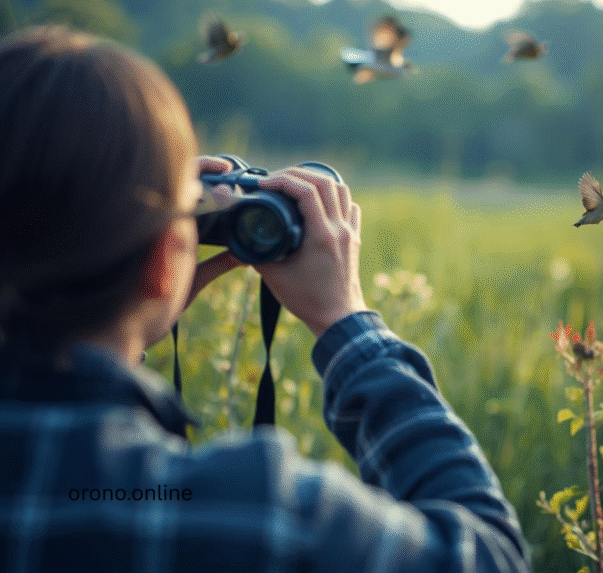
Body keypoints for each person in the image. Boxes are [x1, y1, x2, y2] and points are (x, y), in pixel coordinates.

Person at [0, 26, 528, 572]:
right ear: (162, 262)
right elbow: (489, 558)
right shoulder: (263, 515)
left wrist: (128, 317)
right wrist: (347, 321)